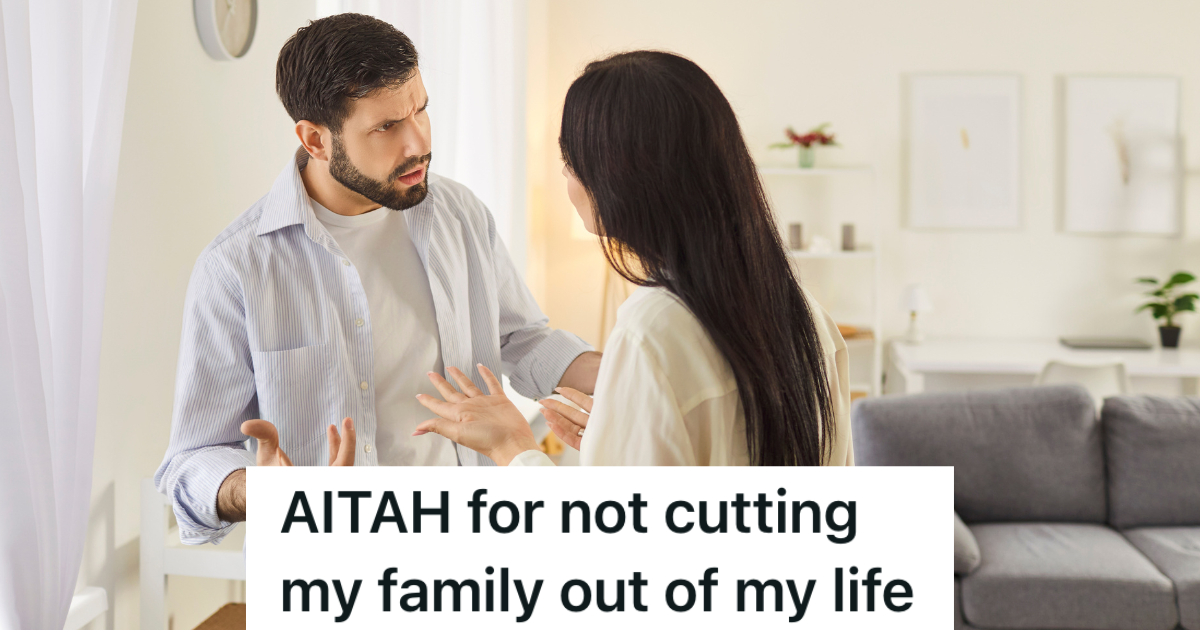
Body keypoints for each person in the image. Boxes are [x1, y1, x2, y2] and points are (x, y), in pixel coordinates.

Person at [155, 13, 600, 546]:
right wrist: (252, 489)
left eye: (421, 111)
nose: (417, 143)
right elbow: (191, 459)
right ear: (315, 139)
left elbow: (523, 342)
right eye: (386, 127)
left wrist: (638, 373)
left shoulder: (459, 214)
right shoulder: (236, 269)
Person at [413, 51, 853, 467]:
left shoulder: (652, 329)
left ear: (618, 179)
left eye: (569, 163)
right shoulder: (806, 317)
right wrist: (623, 439)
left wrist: (514, 447)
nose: (567, 181)